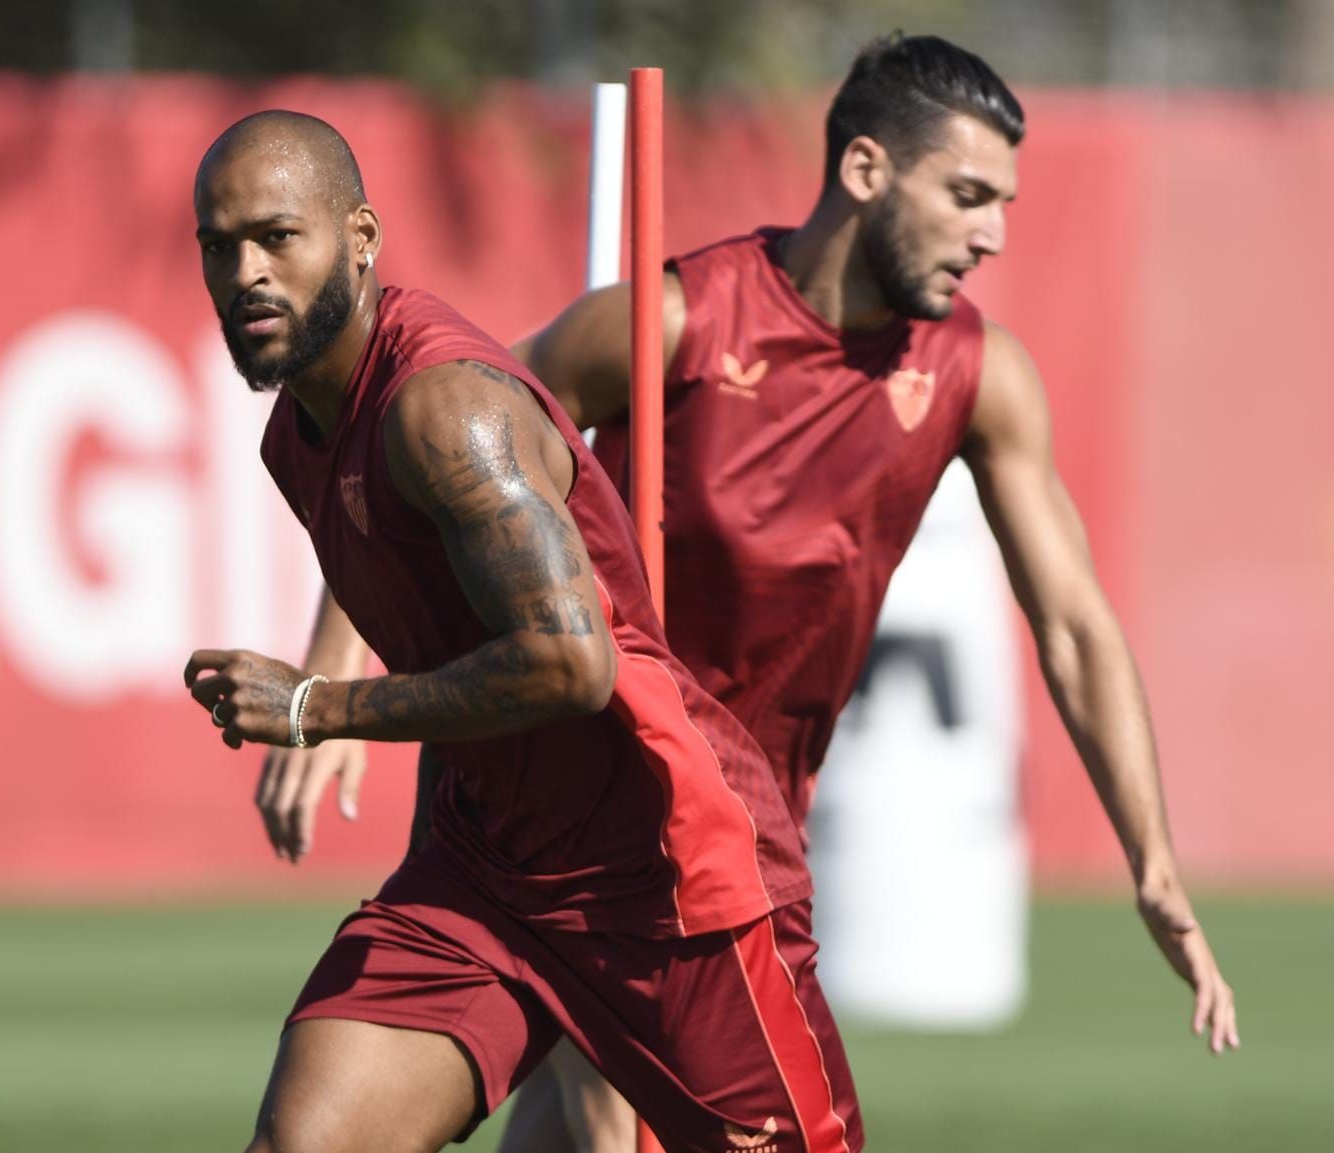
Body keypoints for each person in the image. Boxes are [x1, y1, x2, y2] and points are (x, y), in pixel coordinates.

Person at [262, 31, 1242, 1153]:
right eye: (967, 194)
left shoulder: (978, 375)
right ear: (867, 171)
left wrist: (1151, 860)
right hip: (557, 809)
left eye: (1005, 204)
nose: (993, 234)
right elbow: (428, 433)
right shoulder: (677, 320)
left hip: (717, 847)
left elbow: (1072, 626)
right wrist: (333, 665)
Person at [184, 109, 862, 1153]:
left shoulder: (442, 408)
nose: (246, 273)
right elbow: (438, 651)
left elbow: (568, 661)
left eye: (278, 236)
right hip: (488, 872)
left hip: (664, 878)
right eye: (219, 246)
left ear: (359, 239)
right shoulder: (298, 436)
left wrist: (320, 707)